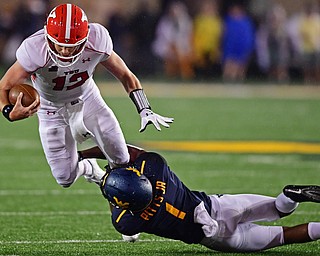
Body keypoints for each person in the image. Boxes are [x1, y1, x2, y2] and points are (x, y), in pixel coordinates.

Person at [0, 3, 173, 189]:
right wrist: (8, 112)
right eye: (61, 45)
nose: (65, 51)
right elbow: (3, 86)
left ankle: (123, 200)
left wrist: (144, 108)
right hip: (51, 109)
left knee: (121, 158)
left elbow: (125, 75)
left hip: (87, 99)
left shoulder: (97, 40)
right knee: (65, 178)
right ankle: (89, 168)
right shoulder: (34, 49)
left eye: (72, 46)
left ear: (85, 38)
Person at [95, 146, 320, 253]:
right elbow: (129, 151)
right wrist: (98, 156)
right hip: (220, 205)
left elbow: (117, 207)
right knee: (278, 208)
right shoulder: (156, 167)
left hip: (216, 236)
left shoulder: (126, 221)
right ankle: (290, 195)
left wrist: (106, 182)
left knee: (284, 236)